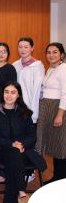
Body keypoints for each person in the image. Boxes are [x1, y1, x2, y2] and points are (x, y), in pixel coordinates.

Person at [0, 81, 46, 203]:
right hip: (2, 150)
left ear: (18, 95)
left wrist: (22, 144)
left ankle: (13, 201)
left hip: (23, 151)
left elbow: (32, 136)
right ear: (2, 94)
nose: (9, 95)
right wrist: (11, 144)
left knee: (16, 156)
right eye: (6, 91)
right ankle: (21, 194)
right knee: (14, 154)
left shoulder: (25, 112)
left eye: (13, 92)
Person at [36, 42, 66, 183]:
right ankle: (57, 177)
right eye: (48, 52)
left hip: (58, 109)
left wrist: (60, 114)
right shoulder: (50, 69)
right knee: (53, 144)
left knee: (60, 144)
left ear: (62, 55)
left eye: (55, 52)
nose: (51, 55)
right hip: (47, 108)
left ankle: (61, 178)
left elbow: (65, 94)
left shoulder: (63, 69)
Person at [13, 37, 45, 123]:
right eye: (20, 47)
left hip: (30, 108)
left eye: (26, 47)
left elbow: (37, 91)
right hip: (16, 106)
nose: (22, 50)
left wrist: (34, 114)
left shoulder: (38, 66)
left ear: (32, 48)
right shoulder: (15, 65)